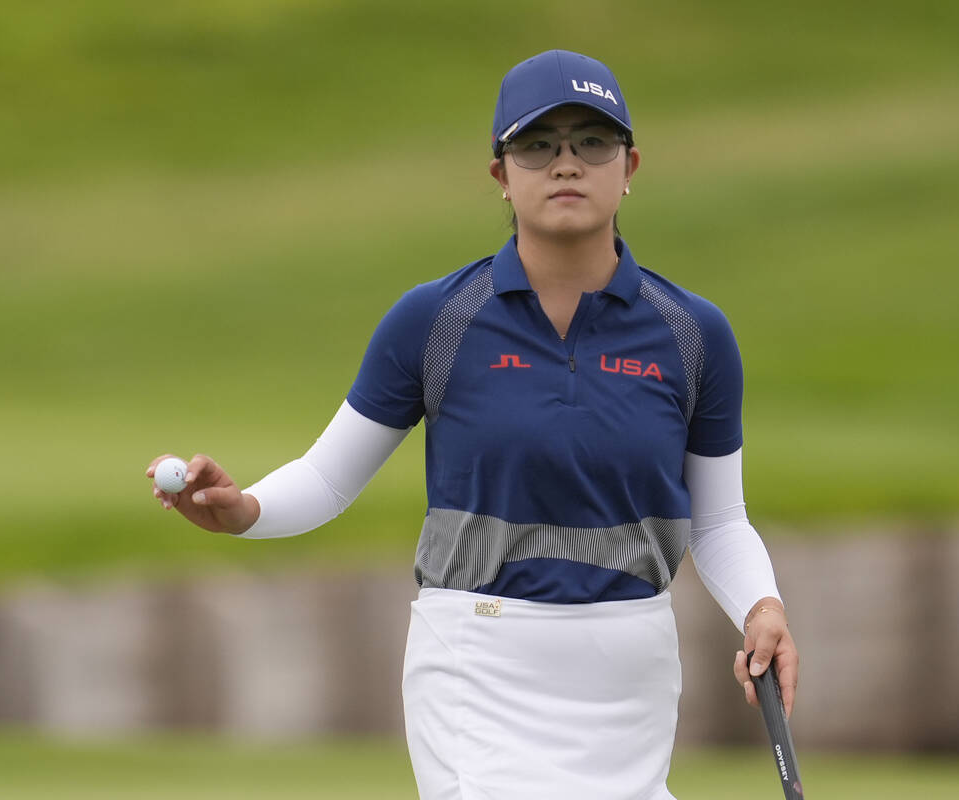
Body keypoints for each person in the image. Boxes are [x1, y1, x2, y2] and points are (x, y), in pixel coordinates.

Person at [146, 49, 799, 800]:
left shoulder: (693, 334)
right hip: (479, 661)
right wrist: (244, 511)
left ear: (630, 167)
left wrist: (763, 605)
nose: (565, 163)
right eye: (537, 145)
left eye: (592, 141)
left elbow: (718, 521)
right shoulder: (436, 320)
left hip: (632, 672)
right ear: (501, 173)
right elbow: (328, 477)